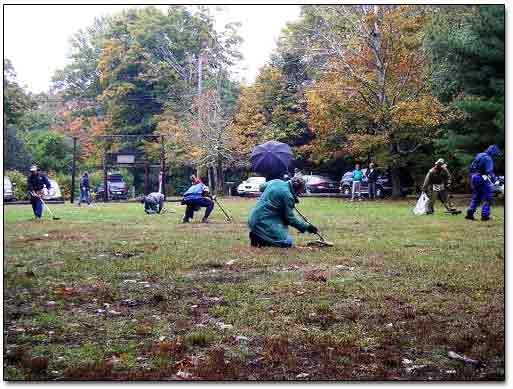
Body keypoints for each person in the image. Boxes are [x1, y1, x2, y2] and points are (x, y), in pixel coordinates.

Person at [248, 176, 318, 247]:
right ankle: (259, 238)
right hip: (262, 222)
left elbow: (261, 187)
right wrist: (307, 227)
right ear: (297, 188)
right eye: (301, 191)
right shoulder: (288, 196)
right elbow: (290, 219)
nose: (300, 193)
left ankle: (258, 235)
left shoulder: (276, 181)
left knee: (281, 222)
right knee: (287, 242)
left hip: (253, 219)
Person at [465, 145, 500, 221]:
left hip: (473, 177)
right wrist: (495, 180)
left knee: (476, 196)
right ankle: (485, 215)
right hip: (481, 177)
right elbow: (489, 171)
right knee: (488, 197)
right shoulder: (488, 158)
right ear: (493, 152)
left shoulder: (480, 155)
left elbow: (471, 166)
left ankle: (469, 214)